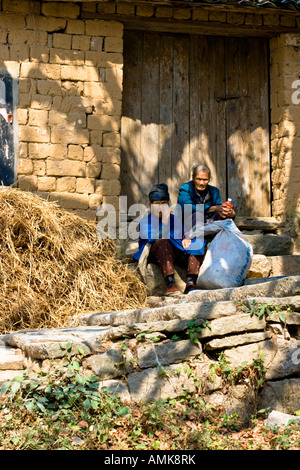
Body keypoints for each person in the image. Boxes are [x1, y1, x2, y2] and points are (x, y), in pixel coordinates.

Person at [133, 183, 206, 296]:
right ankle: (170, 284)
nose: (160, 207)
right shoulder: (145, 221)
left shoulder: (174, 219)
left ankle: (191, 283)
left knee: (198, 243)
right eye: (156, 204)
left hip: (175, 251)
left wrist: (186, 239)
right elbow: (152, 238)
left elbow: (182, 235)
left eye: (164, 203)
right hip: (157, 252)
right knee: (163, 242)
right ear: (150, 205)